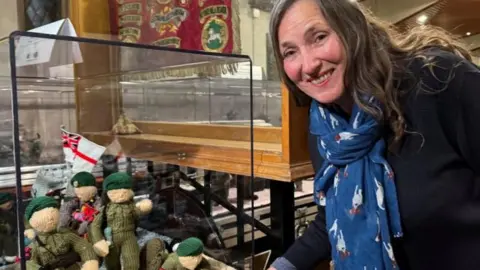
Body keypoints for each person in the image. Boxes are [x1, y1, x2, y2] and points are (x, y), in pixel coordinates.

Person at [267, 0, 480, 269]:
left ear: (352, 29)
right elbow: (334, 215)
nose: (308, 66)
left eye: (319, 37)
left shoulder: (439, 80)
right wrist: (281, 266)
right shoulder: (326, 132)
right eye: (290, 52)